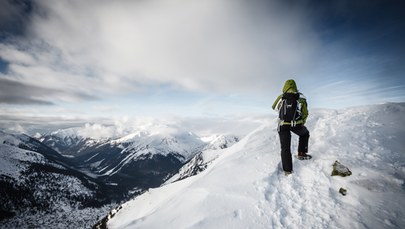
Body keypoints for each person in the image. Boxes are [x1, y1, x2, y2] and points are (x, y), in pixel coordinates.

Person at [272, 79, 310, 175]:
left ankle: (288, 170)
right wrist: (302, 121)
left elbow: (274, 107)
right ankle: (301, 153)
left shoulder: (281, 97)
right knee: (305, 134)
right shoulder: (301, 97)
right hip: (296, 124)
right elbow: (305, 112)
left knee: (285, 147)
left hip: (282, 125)